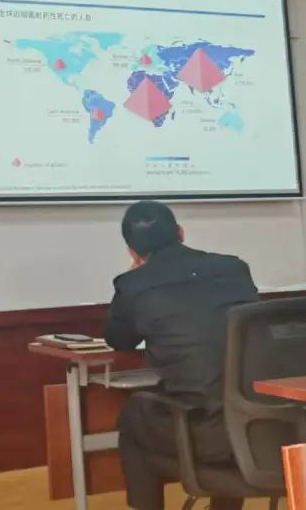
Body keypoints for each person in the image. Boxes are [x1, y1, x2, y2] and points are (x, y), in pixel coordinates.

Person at [106, 201, 258, 510]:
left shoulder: (133, 284)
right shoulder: (234, 268)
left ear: (132, 252)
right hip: (264, 426)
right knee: (227, 391)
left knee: (133, 416)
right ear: (180, 233)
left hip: (203, 434)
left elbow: (119, 340)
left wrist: (136, 276)